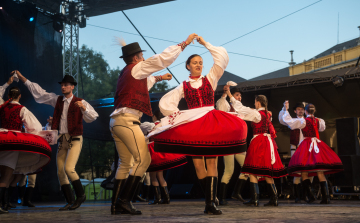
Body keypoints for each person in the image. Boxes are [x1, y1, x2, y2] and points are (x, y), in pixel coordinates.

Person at [147, 36, 248, 215]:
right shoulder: (183, 86)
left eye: (200, 62)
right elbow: (166, 103)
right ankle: (210, 198)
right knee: (198, 166)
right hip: (194, 125)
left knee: (212, 163)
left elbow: (221, 58)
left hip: (210, 123)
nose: (199, 65)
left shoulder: (210, 78)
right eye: (195, 62)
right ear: (188, 66)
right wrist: (178, 116)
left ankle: (210, 203)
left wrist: (205, 44)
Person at [110, 34, 196, 215]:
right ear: (136, 58)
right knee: (144, 159)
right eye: (141, 56)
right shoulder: (137, 67)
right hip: (126, 121)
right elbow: (162, 58)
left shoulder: (127, 74)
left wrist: (159, 78)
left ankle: (115, 204)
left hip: (116, 122)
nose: (143, 58)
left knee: (125, 163)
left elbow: (145, 83)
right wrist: (184, 44)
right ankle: (124, 201)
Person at [16, 70, 99, 211]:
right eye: (62, 85)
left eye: (66, 85)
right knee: (60, 171)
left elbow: (93, 117)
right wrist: (23, 78)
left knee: (69, 168)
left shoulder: (80, 102)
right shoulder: (57, 100)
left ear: (72, 86)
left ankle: (80, 195)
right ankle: (70, 200)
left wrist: (84, 108)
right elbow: (40, 94)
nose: (63, 87)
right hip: (63, 140)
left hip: (75, 139)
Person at [0, 75, 53, 214]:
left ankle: (5, 204)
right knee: (6, 177)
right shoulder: (22, 109)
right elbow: (35, 127)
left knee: (5, 176)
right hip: (12, 143)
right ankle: (2, 205)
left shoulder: (2, 106)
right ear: (20, 96)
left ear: (8, 95)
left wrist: (6, 84)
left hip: (1, 139)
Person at [286, 102, 343, 204]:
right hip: (317, 144)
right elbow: (322, 128)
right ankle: (326, 198)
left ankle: (311, 196)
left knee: (304, 171)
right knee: (320, 172)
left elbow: (290, 124)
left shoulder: (303, 121)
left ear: (306, 111)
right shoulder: (319, 121)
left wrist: (285, 110)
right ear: (314, 111)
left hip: (307, 145)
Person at [215, 83, 261, 205]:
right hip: (229, 141)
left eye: (240, 95)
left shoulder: (242, 108)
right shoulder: (225, 106)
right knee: (229, 170)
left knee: (247, 168)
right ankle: (222, 198)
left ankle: (236, 192)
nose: (239, 97)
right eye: (237, 95)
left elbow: (254, 114)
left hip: (240, 141)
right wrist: (225, 93)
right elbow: (220, 105)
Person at [241, 95, 288, 207]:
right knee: (267, 172)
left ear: (258, 102)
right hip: (268, 142)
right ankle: (274, 199)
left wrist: (230, 98)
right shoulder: (268, 114)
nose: (254, 104)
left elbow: (242, 112)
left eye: (255, 102)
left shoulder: (257, 114)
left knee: (252, 170)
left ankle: (255, 199)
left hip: (258, 141)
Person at [140, 111, 187, 205]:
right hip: (159, 150)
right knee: (160, 176)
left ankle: (157, 198)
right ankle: (166, 198)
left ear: (154, 116)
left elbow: (141, 131)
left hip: (152, 152)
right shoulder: (164, 124)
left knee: (153, 177)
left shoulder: (150, 125)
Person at [279, 101, 311, 203]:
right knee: (297, 172)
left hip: (306, 149)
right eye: (298, 109)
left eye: (302, 109)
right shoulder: (292, 121)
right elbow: (282, 120)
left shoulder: (308, 121)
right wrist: (285, 109)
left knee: (308, 173)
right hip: (296, 149)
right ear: (295, 111)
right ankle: (297, 197)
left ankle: (305, 196)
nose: (300, 111)